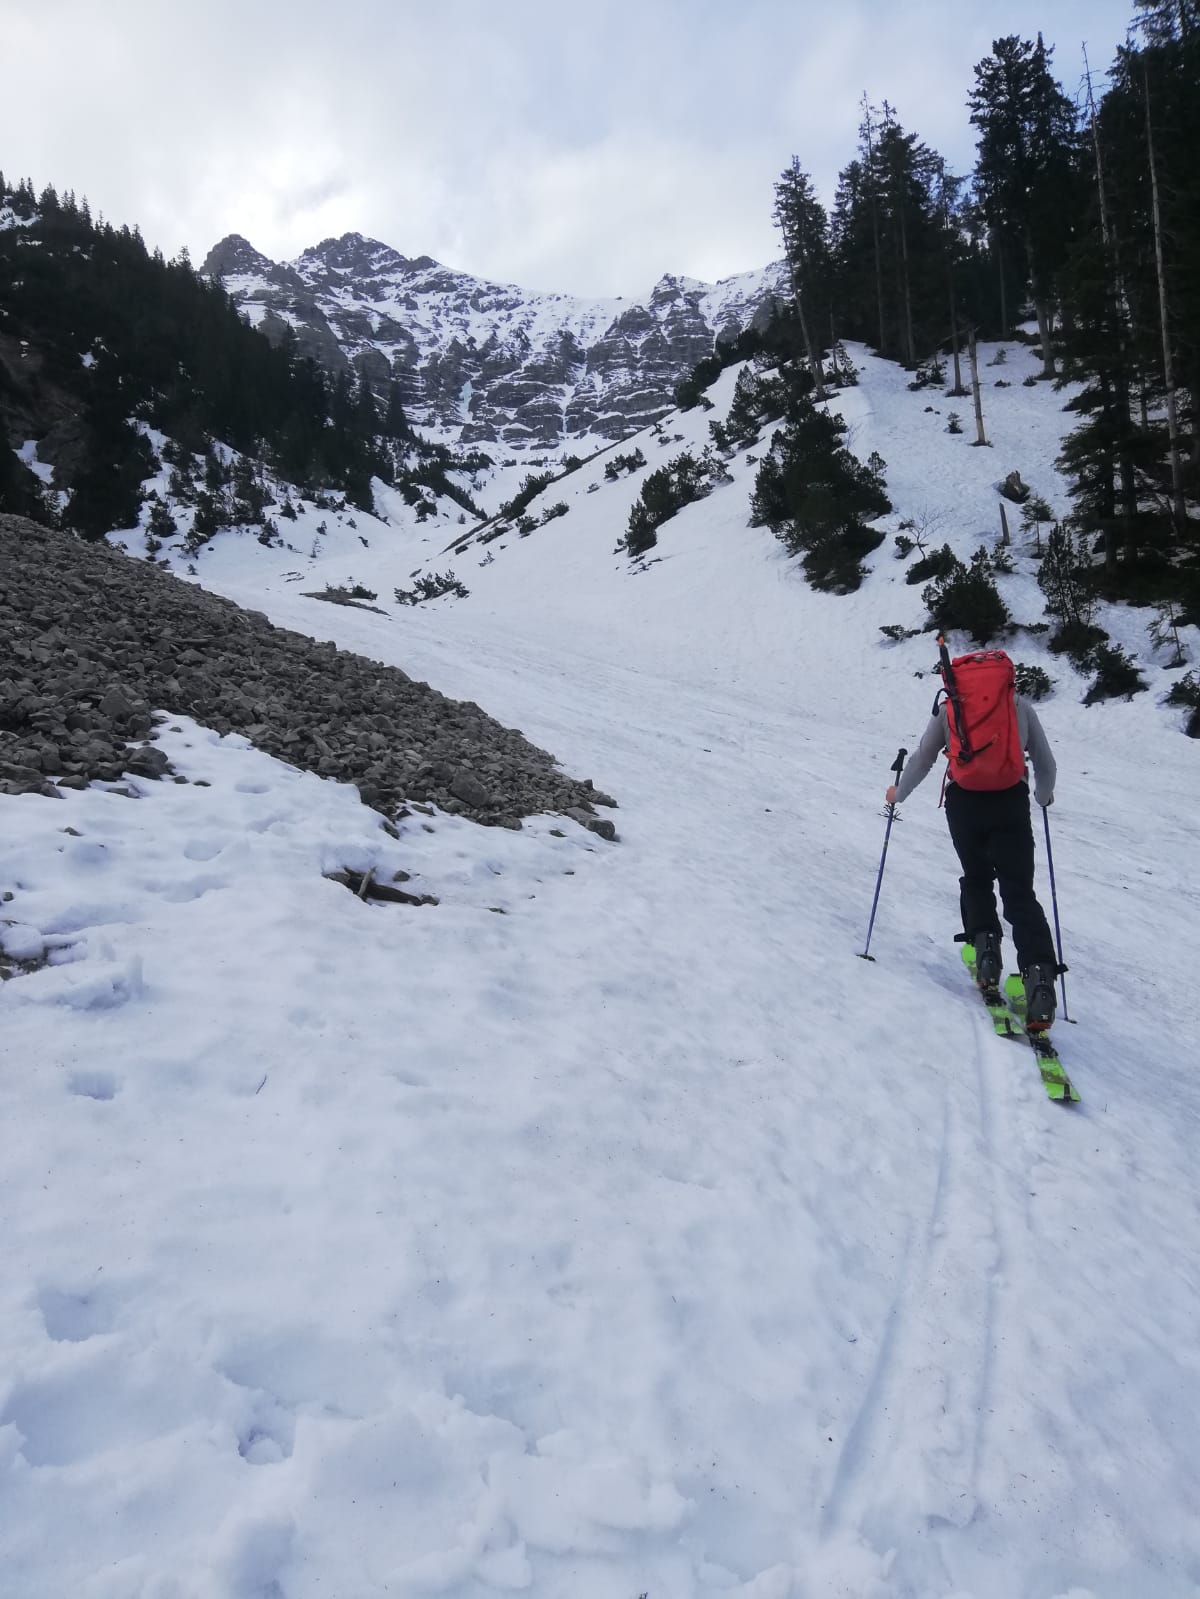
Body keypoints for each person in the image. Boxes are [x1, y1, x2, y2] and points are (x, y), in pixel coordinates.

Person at [884, 691, 1060, 1027]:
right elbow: (1046, 763)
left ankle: (986, 954)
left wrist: (898, 793)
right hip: (1010, 803)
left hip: (964, 803)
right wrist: (1043, 795)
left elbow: (923, 758)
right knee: (1019, 892)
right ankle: (1039, 981)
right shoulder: (1018, 705)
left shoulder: (949, 707)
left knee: (977, 877)